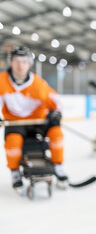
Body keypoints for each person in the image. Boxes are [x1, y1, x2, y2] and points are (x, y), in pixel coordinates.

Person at [0, 46, 67, 188]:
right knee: (13, 142)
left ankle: (58, 166)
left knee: (57, 133)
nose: (20, 65)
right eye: (17, 61)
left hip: (39, 119)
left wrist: (56, 113)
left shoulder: (39, 83)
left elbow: (56, 101)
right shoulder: (1, 81)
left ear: (29, 63)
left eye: (24, 61)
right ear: (10, 62)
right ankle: (15, 172)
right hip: (15, 121)